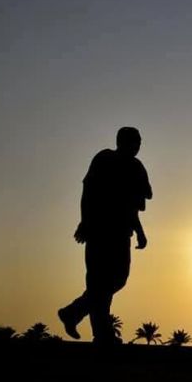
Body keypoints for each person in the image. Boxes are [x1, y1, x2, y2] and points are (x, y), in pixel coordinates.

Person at [57, 126, 152, 344]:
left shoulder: (136, 167)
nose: (138, 146)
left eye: (139, 142)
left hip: (121, 232)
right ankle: (101, 334)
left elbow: (135, 203)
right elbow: (88, 192)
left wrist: (139, 232)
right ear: (122, 141)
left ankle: (74, 314)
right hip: (99, 230)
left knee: (115, 280)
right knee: (99, 281)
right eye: (135, 141)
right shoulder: (105, 159)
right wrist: (85, 222)